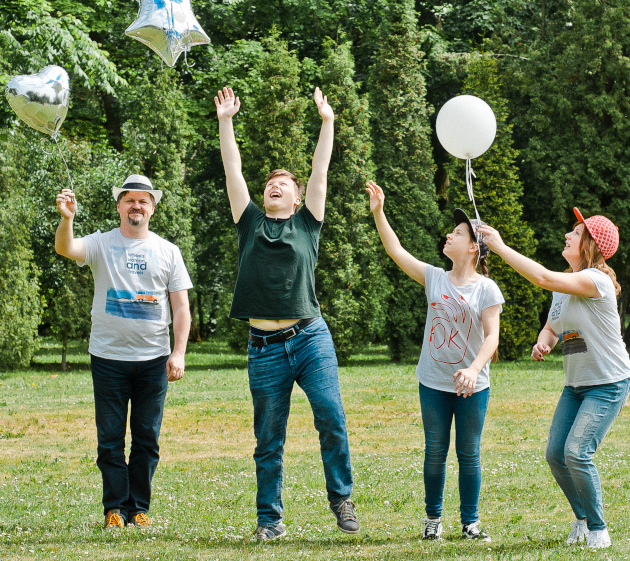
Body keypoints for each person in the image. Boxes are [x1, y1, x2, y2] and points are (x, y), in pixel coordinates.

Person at [213, 85, 358, 541]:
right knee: (268, 440)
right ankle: (269, 521)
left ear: (297, 198)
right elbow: (232, 169)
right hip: (263, 347)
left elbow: (320, 169)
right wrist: (226, 121)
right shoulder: (250, 221)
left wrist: (327, 121)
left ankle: (341, 498)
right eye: (270, 183)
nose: (275, 185)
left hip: (310, 337)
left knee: (330, 415)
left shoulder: (307, 222)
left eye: (284, 184)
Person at [480, 208, 630, 550]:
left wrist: (500, 247)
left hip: (608, 383)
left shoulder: (597, 281)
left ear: (592, 245)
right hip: (576, 386)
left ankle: (598, 529)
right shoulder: (565, 287)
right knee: (555, 454)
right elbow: (553, 325)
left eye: (576, 233)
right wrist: (543, 342)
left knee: (577, 452)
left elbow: (543, 278)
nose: (567, 235)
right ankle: (581, 518)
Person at [366, 182, 504, 542]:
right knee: (435, 451)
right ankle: (433, 520)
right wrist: (379, 211)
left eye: (457, 233)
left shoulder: (486, 289)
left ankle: (470, 522)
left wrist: (473, 371)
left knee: (469, 453)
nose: (449, 234)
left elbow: (492, 337)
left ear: (473, 247)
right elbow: (395, 251)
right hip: (433, 381)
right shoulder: (434, 278)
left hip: (473, 386)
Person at [54, 174, 192, 530]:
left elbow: (181, 308)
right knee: (111, 439)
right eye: (130, 200)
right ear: (119, 206)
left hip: (153, 361)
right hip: (108, 359)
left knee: (147, 438)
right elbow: (65, 249)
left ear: (152, 209)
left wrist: (178, 353)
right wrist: (67, 219)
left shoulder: (167, 251)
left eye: (144, 201)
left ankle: (139, 508)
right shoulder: (101, 243)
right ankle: (114, 509)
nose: (137, 206)